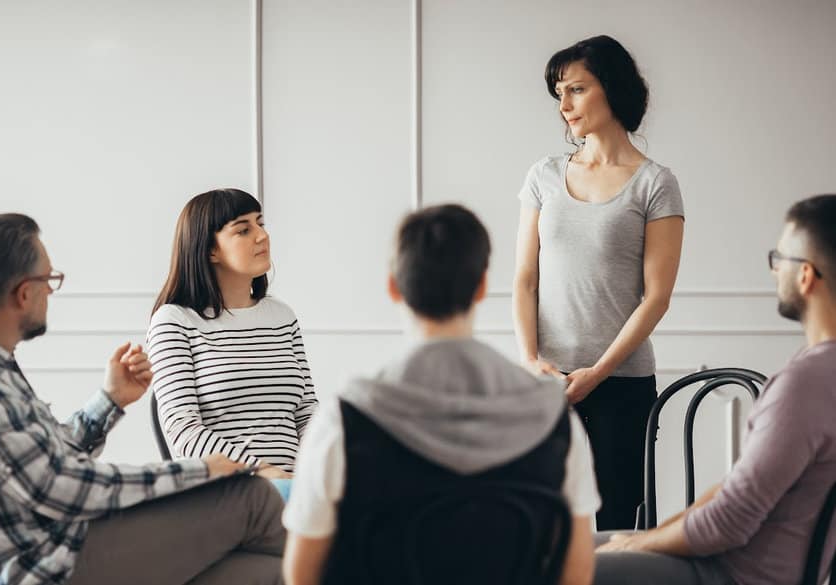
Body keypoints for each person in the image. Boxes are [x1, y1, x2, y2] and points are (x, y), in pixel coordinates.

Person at [0, 213, 286, 585]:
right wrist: (204, 471)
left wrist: (110, 400)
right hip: (48, 566)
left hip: (65, 544)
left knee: (268, 573)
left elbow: (48, 459)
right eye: (49, 281)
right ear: (24, 293)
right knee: (251, 498)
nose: (50, 293)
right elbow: (60, 485)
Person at [282, 204, 600, 585]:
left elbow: (301, 575)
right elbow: (577, 571)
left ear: (393, 287)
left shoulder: (343, 420)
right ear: (482, 287)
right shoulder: (555, 419)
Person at [594, 194, 836, 585]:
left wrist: (634, 547)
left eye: (780, 260)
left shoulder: (805, 386)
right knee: (567, 547)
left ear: (806, 275)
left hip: (729, 573)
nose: (774, 272)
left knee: (557, 566)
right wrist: (643, 538)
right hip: (739, 565)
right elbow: (734, 490)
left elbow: (727, 523)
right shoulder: (823, 376)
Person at [513, 34, 685, 530]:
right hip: (545, 382)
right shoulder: (544, 175)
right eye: (559, 93)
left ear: (612, 87)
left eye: (576, 89)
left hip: (622, 383)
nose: (564, 105)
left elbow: (658, 297)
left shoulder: (656, 183)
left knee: (617, 530)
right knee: (542, 525)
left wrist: (599, 372)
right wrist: (530, 361)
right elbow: (524, 280)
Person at [148, 189, 317, 485]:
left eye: (260, 224)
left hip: (293, 485)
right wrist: (260, 470)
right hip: (226, 487)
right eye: (243, 229)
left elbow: (306, 412)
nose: (262, 236)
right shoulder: (175, 321)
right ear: (211, 250)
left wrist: (311, 472)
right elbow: (183, 431)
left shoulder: (282, 316)